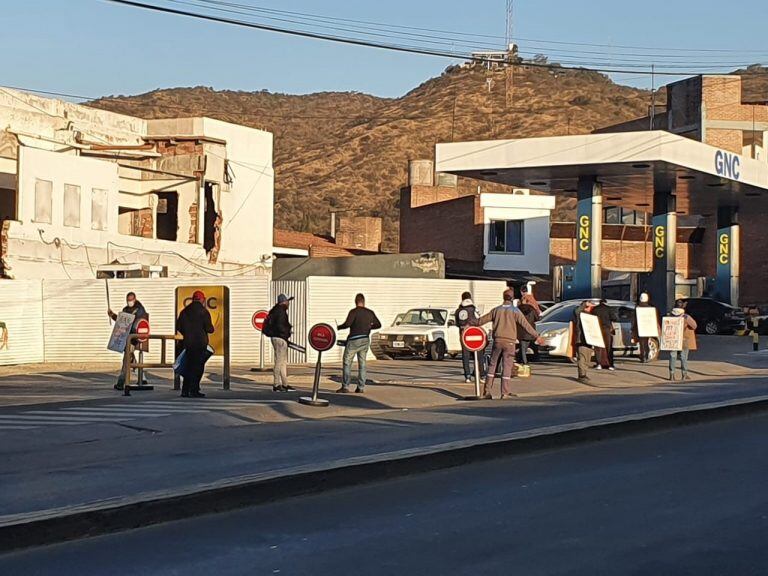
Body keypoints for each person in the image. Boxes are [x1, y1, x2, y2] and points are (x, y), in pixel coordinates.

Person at [476, 289, 541, 400]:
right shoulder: (515, 311)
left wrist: (470, 323)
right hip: (510, 342)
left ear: (503, 297)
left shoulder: (496, 310)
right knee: (507, 367)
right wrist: (537, 336)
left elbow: (480, 321)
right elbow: (526, 325)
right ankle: (504, 393)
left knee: (492, 365)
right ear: (512, 298)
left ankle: (487, 391)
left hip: (497, 341)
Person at [336, 293, 382, 393]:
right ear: (363, 302)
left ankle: (345, 386)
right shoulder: (370, 312)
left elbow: (347, 324)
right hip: (365, 339)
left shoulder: (353, 312)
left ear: (356, 302)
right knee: (362, 364)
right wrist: (369, 327)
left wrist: (339, 327)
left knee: (347, 362)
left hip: (354, 340)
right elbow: (378, 324)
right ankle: (360, 387)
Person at [175, 290, 214, 398]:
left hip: (187, 343)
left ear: (193, 299)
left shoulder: (184, 311)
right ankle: (194, 390)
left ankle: (185, 390)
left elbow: (179, 327)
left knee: (188, 366)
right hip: (200, 344)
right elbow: (210, 329)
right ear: (202, 299)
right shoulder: (203, 312)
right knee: (198, 367)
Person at [108, 291, 149, 390]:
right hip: (126, 338)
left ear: (134, 299)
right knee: (131, 358)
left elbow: (138, 323)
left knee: (126, 360)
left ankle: (121, 383)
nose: (129, 302)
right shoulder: (126, 309)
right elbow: (121, 321)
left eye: (131, 300)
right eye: (128, 300)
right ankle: (142, 377)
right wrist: (112, 315)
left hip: (133, 338)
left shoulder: (140, 310)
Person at [263, 294, 295, 392]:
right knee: (279, 362)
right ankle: (276, 384)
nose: (288, 303)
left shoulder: (275, 310)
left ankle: (285, 383)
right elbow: (281, 326)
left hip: (276, 337)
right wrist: (287, 333)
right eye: (287, 301)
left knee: (282, 362)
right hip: (280, 338)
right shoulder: (281, 311)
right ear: (283, 302)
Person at [455, 291, 482, 383]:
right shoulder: (474, 309)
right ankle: (481, 375)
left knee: (465, 356)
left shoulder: (458, 310)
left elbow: (457, 323)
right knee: (478, 356)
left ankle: (467, 376)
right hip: (475, 334)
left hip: (463, 335)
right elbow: (479, 319)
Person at [668, 306, 697, 381]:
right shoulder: (686, 317)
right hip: (684, 340)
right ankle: (684, 374)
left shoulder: (670, 316)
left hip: (672, 339)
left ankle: (672, 374)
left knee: (672, 356)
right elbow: (694, 326)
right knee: (683, 357)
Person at [572, 300, 597, 383]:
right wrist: (584, 304)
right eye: (591, 306)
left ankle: (584, 373)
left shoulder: (591, 316)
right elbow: (576, 311)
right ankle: (581, 375)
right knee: (582, 357)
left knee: (587, 358)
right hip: (581, 339)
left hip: (589, 339)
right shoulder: (580, 314)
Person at [592, 299, 618, 370]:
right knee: (608, 347)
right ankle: (610, 365)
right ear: (605, 303)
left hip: (597, 329)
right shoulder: (609, 309)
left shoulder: (595, 309)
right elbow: (614, 318)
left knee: (598, 348)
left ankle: (599, 364)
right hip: (607, 330)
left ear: (599, 303)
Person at [517, 293, 542, 365]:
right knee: (528, 347)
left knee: (523, 348)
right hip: (530, 332)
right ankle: (526, 362)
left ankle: (523, 361)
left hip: (521, 331)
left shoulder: (518, 309)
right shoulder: (532, 309)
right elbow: (537, 318)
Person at [632, 292, 654, 363]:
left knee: (642, 343)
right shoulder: (650, 308)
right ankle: (646, 356)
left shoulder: (637, 308)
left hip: (640, 327)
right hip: (648, 327)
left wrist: (633, 327)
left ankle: (643, 357)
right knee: (647, 342)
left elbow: (634, 319)